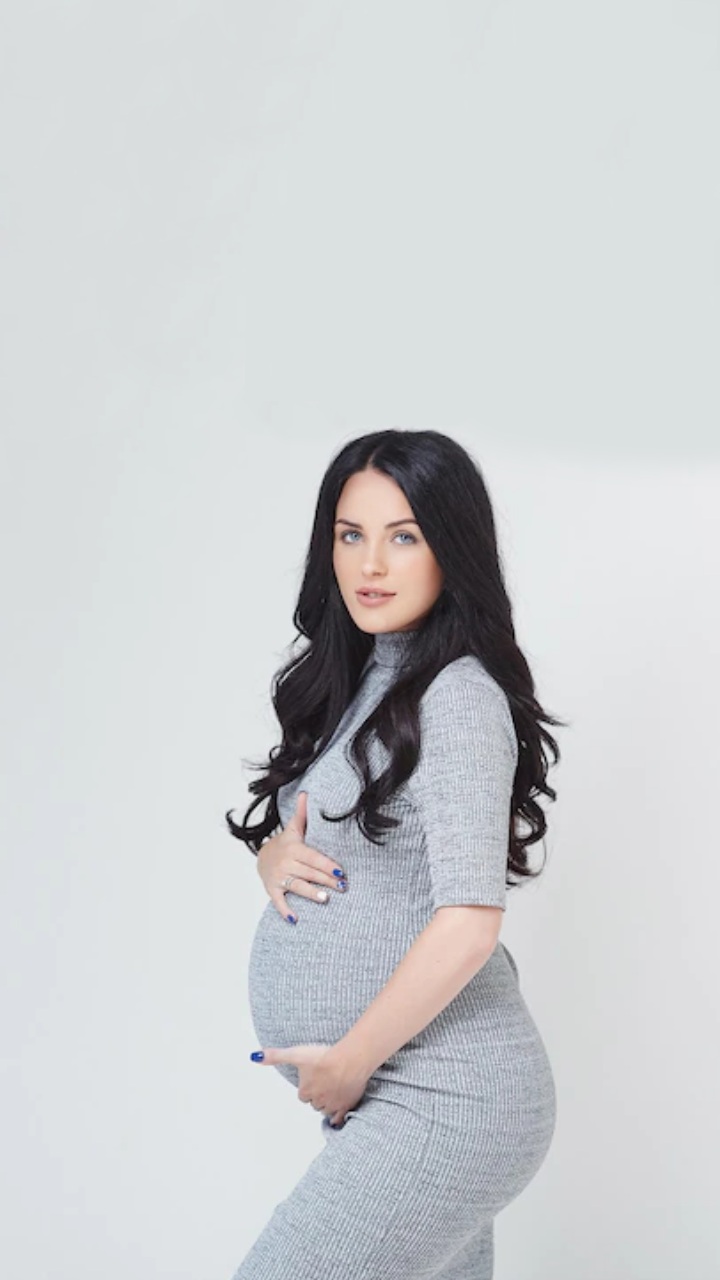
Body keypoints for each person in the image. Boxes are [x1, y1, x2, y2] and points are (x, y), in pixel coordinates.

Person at [226, 428, 564, 1279]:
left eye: (404, 536)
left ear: (452, 547)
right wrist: (275, 859)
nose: (370, 564)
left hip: (446, 1096)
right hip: (400, 1092)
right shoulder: (367, 677)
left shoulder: (458, 695)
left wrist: (350, 1061)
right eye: (351, 534)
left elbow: (469, 925)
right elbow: (342, 827)